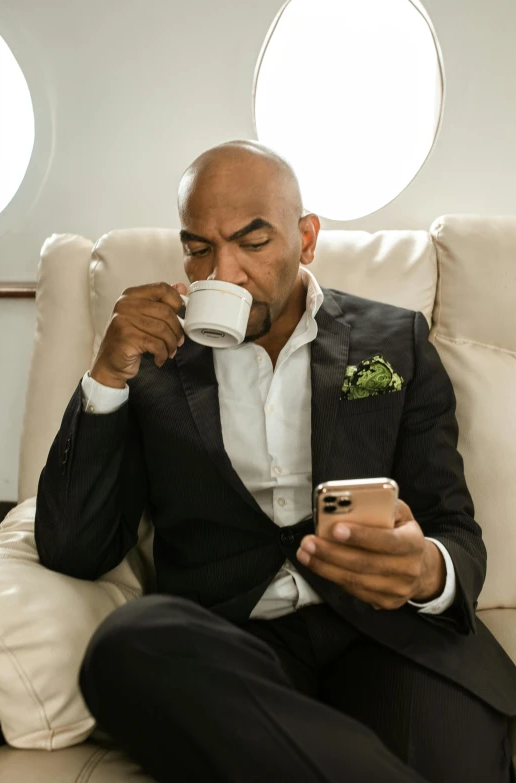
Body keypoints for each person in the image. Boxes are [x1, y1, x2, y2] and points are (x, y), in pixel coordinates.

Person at [35, 140, 516, 783]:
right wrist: (104, 378)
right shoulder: (151, 364)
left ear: (306, 238)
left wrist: (427, 572)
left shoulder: (395, 340)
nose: (222, 273)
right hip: (233, 648)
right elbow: (73, 549)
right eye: (199, 247)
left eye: (251, 242)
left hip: (391, 636)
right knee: (125, 646)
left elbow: (452, 525)